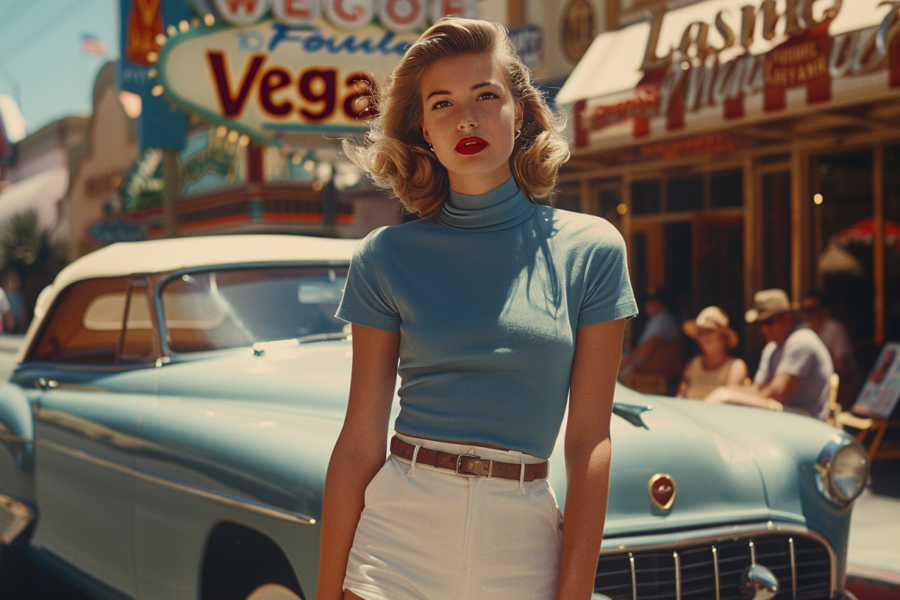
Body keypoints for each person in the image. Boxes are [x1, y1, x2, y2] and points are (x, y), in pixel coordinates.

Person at [316, 18, 638, 600]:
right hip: (396, 544)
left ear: (520, 111)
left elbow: (590, 438)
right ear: (424, 131)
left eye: (486, 96)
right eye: (442, 104)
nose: (465, 118)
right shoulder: (385, 256)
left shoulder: (591, 249)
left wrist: (576, 592)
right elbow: (360, 440)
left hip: (523, 547)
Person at [705, 289, 834, 420]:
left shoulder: (800, 340)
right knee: (723, 395)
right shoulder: (771, 348)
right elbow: (761, 388)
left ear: (787, 318)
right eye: (760, 323)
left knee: (724, 398)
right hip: (784, 415)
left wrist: (728, 395)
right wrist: (727, 392)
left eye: (769, 321)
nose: (764, 329)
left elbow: (778, 394)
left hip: (809, 421)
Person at [799, 290, 861, 407]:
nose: (807, 315)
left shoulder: (835, 330)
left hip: (840, 385)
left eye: (812, 310)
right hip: (812, 384)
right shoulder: (800, 330)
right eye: (804, 310)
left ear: (825, 311)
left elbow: (842, 371)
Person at [676, 306, 748, 400]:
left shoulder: (736, 366)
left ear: (723, 336)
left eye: (708, 331)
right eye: (700, 332)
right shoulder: (693, 363)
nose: (703, 336)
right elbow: (680, 397)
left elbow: (731, 405)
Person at [618, 288, 681, 382]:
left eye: (653, 302)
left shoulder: (663, 318)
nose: (648, 305)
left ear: (663, 304)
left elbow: (652, 344)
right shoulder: (657, 319)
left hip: (648, 368)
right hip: (643, 364)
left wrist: (626, 361)